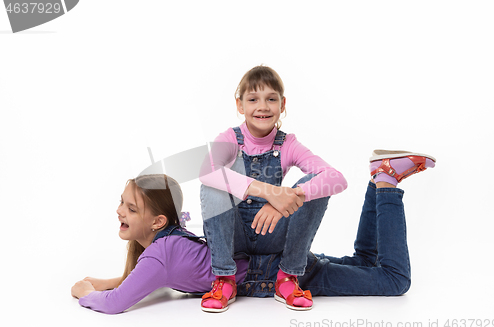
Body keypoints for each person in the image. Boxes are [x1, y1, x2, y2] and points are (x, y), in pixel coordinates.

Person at [71, 150, 436, 314]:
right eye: (122, 202)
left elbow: (117, 303)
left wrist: (87, 293)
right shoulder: (164, 247)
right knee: (366, 262)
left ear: (158, 222)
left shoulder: (159, 255)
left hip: (277, 274)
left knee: (393, 281)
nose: (119, 211)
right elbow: (131, 281)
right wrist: (102, 280)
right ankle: (378, 179)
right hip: (280, 266)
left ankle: (385, 183)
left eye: (131, 208)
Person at [198, 65, 347, 312]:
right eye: (253, 99)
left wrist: (284, 202)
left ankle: (287, 277)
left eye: (271, 99)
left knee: (313, 184)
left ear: (282, 104)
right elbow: (206, 171)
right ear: (240, 106)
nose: (263, 106)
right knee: (212, 186)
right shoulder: (230, 139)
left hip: (271, 233)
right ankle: (224, 278)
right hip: (234, 235)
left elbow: (337, 178)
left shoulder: (288, 144)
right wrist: (269, 192)